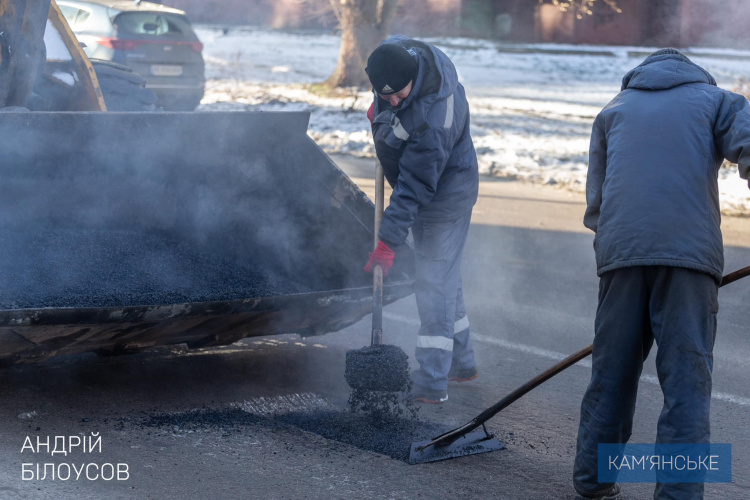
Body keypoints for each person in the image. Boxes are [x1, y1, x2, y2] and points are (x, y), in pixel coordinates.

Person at [574, 48, 750, 500]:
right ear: (695, 73)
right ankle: (677, 494)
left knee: (611, 373)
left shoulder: (613, 110)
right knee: (686, 383)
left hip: (621, 255)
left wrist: (620, 254)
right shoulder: (716, 101)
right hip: (689, 259)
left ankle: (594, 481)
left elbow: (596, 205)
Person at [362, 36, 479, 404]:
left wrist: (388, 242)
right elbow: (390, 92)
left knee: (432, 284)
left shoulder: (433, 117)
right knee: (443, 277)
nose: (393, 101)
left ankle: (431, 383)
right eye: (386, 95)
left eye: (399, 94)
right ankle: (462, 363)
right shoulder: (398, 57)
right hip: (428, 189)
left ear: (414, 77)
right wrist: (380, 113)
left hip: (445, 198)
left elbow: (414, 188)